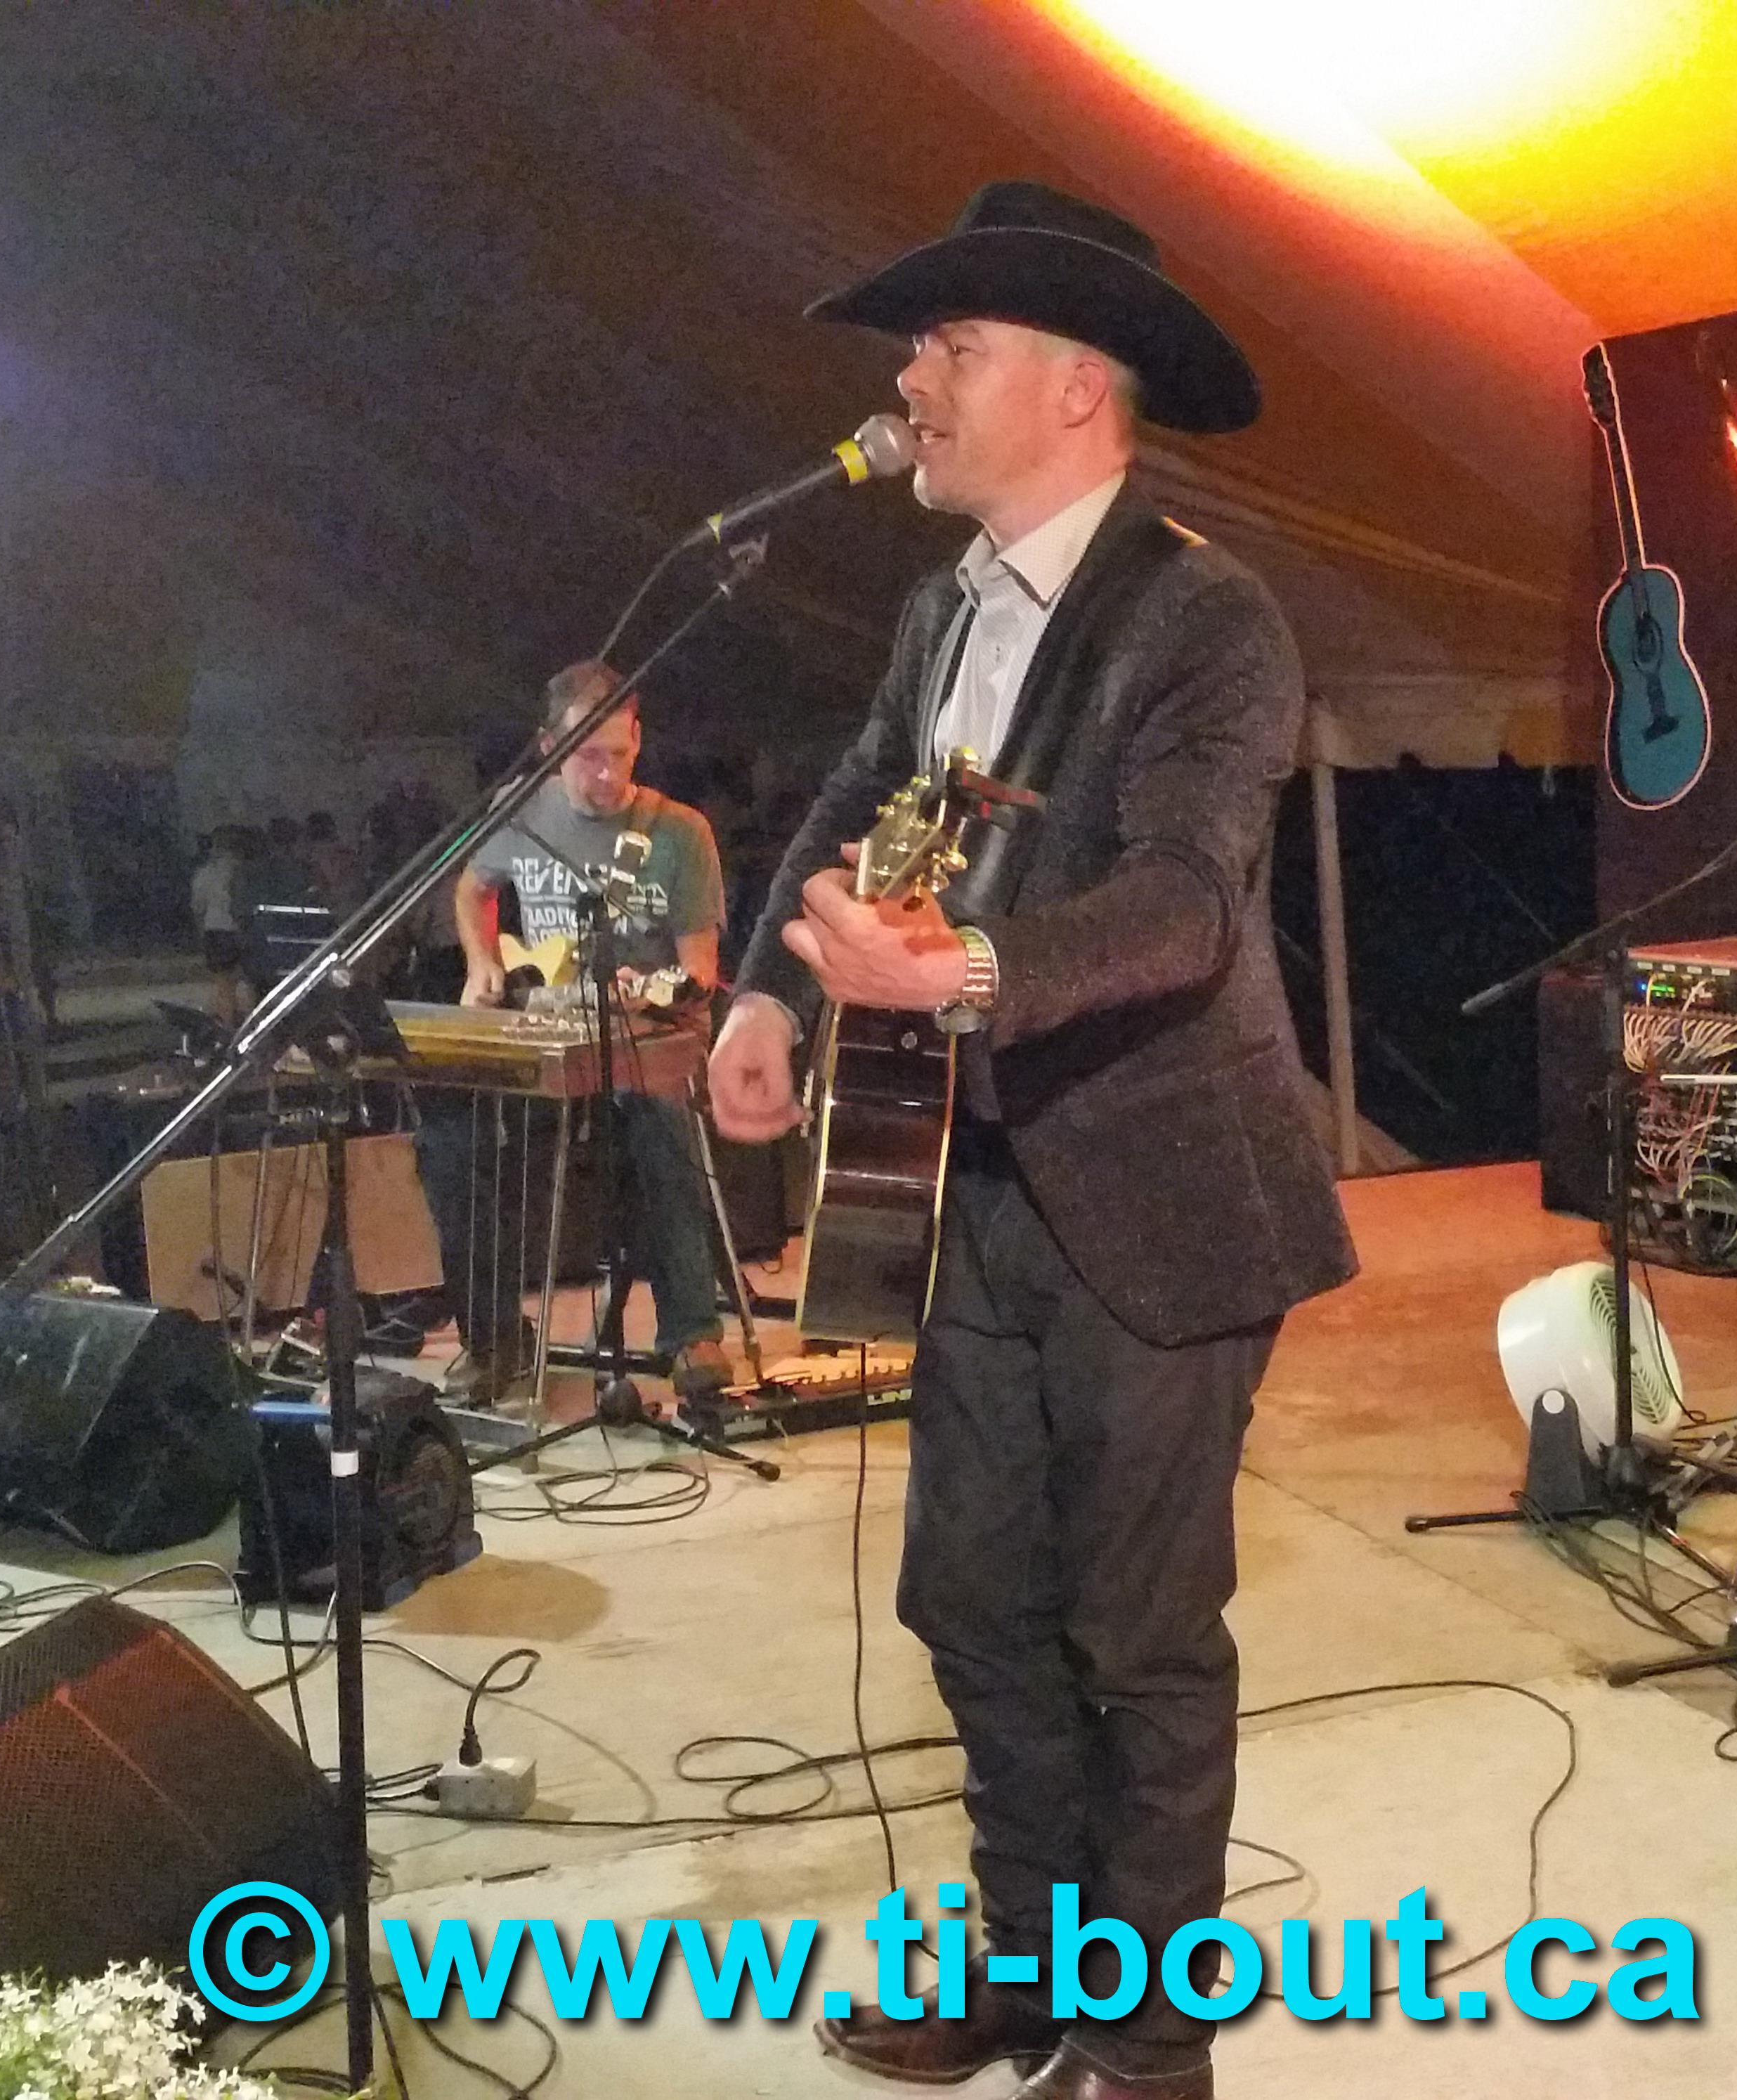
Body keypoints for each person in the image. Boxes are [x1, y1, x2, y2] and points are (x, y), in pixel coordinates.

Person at [708, 181, 1355, 2100]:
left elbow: (1185, 902)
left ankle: (1148, 2051)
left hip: (1163, 1202)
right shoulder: (942, 607)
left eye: (951, 344)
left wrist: (964, 969)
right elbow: (860, 793)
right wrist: (765, 992)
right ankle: (1030, 1967)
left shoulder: (1205, 616)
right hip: (968, 1179)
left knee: (1134, 1635)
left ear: (1077, 385)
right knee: (975, 1601)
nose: (908, 379)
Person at [415, 663, 734, 1409]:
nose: (606, 774)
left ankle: (692, 1333)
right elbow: (471, 887)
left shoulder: (679, 833)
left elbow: (699, 969)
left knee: (659, 1125)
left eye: (619, 754)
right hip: (548, 1039)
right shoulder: (519, 814)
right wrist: (482, 960)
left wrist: (651, 992)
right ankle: (494, 1339)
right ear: (549, 747)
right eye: (588, 756)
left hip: (643, 1039)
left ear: (638, 740)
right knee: (454, 1144)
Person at [188, 829, 246, 1020]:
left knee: (223, 984)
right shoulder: (243, 871)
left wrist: (201, 932)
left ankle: (227, 1024)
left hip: (216, 930)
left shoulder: (205, 873)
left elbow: (198, 906)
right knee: (248, 982)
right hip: (243, 929)